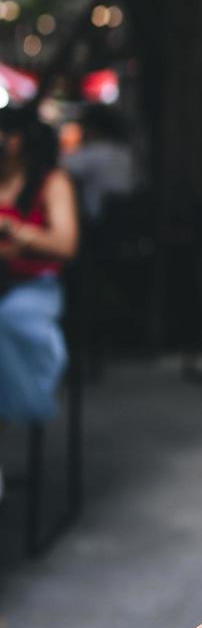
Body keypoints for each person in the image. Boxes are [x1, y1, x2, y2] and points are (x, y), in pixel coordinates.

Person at [0, 107, 79, 422]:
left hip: (33, 286)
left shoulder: (51, 182)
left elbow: (65, 244)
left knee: (9, 321)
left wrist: (12, 230)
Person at [61, 104, 137, 224]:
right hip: (129, 222)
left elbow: (61, 165)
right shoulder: (124, 152)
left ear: (92, 128)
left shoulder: (94, 154)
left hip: (98, 224)